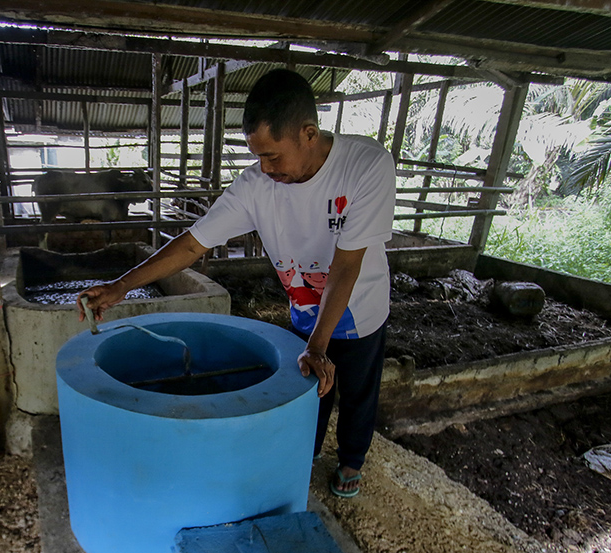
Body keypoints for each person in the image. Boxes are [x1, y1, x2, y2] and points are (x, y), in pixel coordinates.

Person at [77, 68, 395, 499]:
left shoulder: (365, 166)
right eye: (258, 157)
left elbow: (346, 265)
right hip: (305, 304)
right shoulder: (256, 186)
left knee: (356, 389)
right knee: (311, 387)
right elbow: (192, 245)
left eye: (273, 157)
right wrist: (121, 286)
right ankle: (308, 452)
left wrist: (319, 345)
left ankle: (351, 460)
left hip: (359, 306)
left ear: (308, 133)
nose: (264, 168)